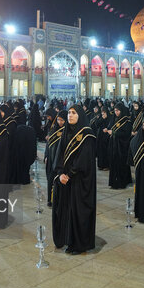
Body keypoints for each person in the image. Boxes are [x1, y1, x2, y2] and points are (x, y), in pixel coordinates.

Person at [51, 104, 97, 254]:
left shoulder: (87, 135)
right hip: (65, 179)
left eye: (73, 113)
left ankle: (78, 243)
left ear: (80, 116)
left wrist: (69, 174)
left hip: (79, 180)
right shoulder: (65, 132)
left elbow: (83, 160)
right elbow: (59, 155)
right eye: (69, 113)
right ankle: (66, 239)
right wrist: (59, 174)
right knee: (65, 210)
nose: (70, 115)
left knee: (78, 211)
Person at [108, 102, 133, 189]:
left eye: (118, 110)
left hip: (122, 146)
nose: (116, 112)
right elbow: (111, 127)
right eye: (115, 110)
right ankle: (114, 182)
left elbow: (126, 133)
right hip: (114, 145)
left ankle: (122, 182)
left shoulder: (126, 121)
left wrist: (114, 133)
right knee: (114, 163)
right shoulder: (114, 118)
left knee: (122, 164)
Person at [45, 110, 67, 206]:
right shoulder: (54, 129)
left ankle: (59, 200)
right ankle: (50, 199)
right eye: (58, 120)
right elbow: (48, 144)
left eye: (62, 120)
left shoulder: (67, 131)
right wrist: (46, 156)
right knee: (51, 179)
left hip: (61, 161)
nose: (60, 122)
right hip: (51, 158)